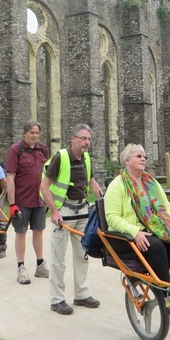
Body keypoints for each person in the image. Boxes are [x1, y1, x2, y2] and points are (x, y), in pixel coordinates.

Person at [104, 144, 170, 316]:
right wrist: (134, 231)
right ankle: (168, 296)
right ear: (126, 161)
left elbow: (166, 205)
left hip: (153, 229)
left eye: (144, 156)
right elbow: (112, 218)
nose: (143, 159)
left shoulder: (150, 182)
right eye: (138, 156)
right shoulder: (117, 185)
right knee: (155, 245)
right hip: (125, 237)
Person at [40, 123, 102, 315]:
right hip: (64, 213)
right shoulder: (61, 157)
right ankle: (57, 299)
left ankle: (81, 294)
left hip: (82, 211)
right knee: (58, 259)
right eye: (83, 138)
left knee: (82, 254)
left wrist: (103, 199)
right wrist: (55, 212)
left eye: (89, 139)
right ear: (73, 139)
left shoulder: (86, 159)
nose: (87, 142)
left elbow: (91, 182)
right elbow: (43, 186)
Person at [5, 121, 50, 285]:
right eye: (32, 132)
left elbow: (48, 174)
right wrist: (12, 204)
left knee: (38, 231)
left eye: (37, 132)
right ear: (24, 133)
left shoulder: (42, 149)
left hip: (39, 199)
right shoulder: (15, 150)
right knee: (21, 233)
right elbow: (10, 179)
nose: (35, 135)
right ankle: (21, 268)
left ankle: (40, 265)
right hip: (22, 200)